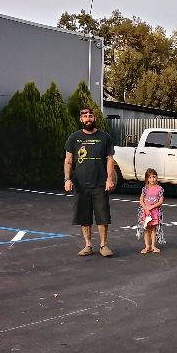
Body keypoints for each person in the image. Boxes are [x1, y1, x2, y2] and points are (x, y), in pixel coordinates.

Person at [63, 107, 115, 257]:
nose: (88, 118)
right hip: (80, 184)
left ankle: (104, 246)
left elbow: (110, 159)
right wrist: (67, 179)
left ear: (94, 118)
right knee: (84, 216)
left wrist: (109, 178)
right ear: (81, 119)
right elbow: (68, 160)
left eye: (90, 115)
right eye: (85, 116)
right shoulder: (74, 138)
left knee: (102, 216)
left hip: (100, 183)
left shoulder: (105, 137)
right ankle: (88, 245)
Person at [137, 168, 165, 254]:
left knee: (153, 229)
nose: (152, 179)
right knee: (146, 229)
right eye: (150, 177)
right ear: (147, 179)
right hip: (146, 213)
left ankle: (153, 246)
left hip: (155, 212)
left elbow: (161, 201)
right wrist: (146, 208)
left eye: (154, 177)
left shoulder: (159, 189)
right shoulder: (145, 189)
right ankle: (147, 246)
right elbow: (141, 200)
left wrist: (152, 207)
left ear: (156, 177)